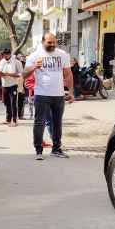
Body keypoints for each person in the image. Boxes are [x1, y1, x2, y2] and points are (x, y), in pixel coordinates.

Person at [23, 33, 74, 161]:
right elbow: (24, 74)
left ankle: (56, 149)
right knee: (39, 122)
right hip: (41, 94)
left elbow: (68, 74)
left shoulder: (62, 55)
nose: (52, 45)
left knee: (57, 123)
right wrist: (35, 66)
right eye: (49, 42)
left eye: (54, 42)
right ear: (43, 42)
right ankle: (38, 150)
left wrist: (71, 92)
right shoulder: (35, 56)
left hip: (58, 95)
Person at [0, 48, 23, 127]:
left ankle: (14, 120)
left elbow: (20, 74)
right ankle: (8, 119)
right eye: (4, 54)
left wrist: (9, 74)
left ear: (10, 54)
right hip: (4, 85)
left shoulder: (16, 62)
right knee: (6, 103)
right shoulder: (2, 61)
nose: (5, 56)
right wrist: (0, 74)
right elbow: (0, 72)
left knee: (13, 103)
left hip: (13, 85)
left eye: (6, 54)